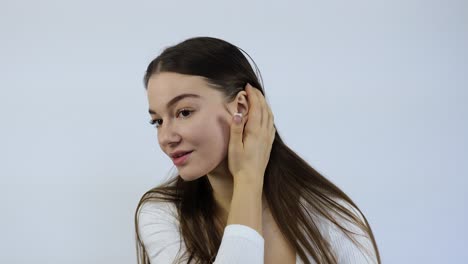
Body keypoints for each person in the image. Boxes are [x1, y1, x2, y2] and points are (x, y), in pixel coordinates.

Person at [134, 36, 381, 264]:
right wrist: (248, 180)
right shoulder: (163, 214)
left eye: (184, 112)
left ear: (240, 106)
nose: (166, 137)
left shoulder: (330, 217)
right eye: (157, 121)